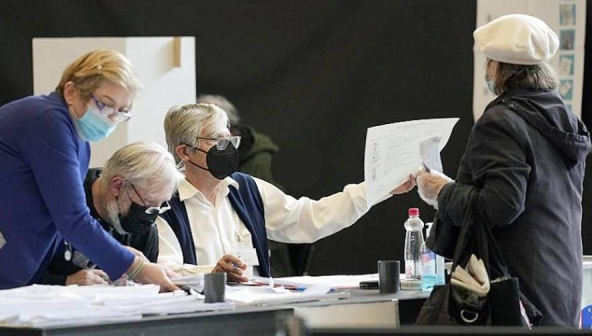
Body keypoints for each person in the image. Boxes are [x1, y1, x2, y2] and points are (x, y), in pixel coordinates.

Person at [416, 14, 590, 327]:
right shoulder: (563, 118)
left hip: (517, 293)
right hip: (561, 287)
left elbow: (500, 205)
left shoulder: (501, 121)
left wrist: (442, 191)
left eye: (489, 62)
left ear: (499, 68)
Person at [157, 103, 415, 282]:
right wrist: (210, 274)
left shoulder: (247, 190)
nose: (229, 149)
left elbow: (311, 218)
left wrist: (377, 188)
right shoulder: (164, 203)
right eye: (219, 142)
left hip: (255, 318)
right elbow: (163, 271)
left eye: (231, 141)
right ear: (184, 152)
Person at [0, 50, 179, 291]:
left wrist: (117, 255)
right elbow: (72, 219)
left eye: (121, 112)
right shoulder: (47, 121)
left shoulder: (78, 141)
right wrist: (136, 268)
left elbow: (60, 224)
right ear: (71, 92)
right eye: (106, 105)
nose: (112, 119)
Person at [38, 141, 182, 286]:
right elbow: (20, 271)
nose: (151, 216)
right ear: (117, 185)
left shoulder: (144, 229)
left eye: (161, 205)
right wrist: (65, 282)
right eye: (149, 203)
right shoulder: (63, 202)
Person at [196, 94, 297, 277]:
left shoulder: (262, 162)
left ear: (232, 129)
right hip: (221, 270)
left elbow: (290, 218)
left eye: (213, 135)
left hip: (268, 268)